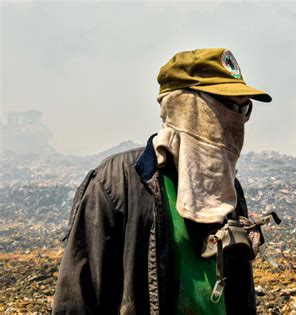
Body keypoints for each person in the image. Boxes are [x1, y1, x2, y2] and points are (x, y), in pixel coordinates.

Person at [52, 48, 272, 314]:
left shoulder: (229, 191)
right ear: (183, 108)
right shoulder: (118, 184)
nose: (237, 119)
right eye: (225, 105)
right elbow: (77, 301)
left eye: (243, 107)